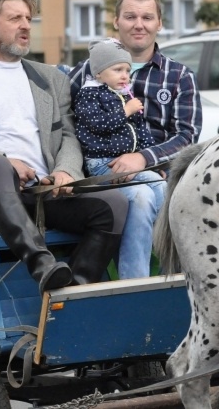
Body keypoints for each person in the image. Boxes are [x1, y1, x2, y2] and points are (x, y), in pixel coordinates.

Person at [0, 0, 128, 295]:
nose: (25, 26)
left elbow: (69, 136)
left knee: (114, 205)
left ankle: (73, 291)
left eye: (29, 19)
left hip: (42, 193)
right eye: (15, 18)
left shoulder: (52, 78)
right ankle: (42, 265)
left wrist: (66, 171)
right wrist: (6, 161)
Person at [69, 0, 202, 277]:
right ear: (116, 21)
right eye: (130, 17)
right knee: (140, 198)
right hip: (103, 174)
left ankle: (176, 282)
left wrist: (144, 158)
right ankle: (135, 284)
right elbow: (67, 124)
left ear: (159, 23)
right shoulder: (87, 72)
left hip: (160, 174)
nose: (139, 25)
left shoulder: (179, 76)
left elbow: (187, 136)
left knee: (168, 196)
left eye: (147, 17)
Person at [74, 38, 165, 279]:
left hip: (129, 164)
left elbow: (141, 134)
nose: (124, 75)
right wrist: (126, 110)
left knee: (162, 186)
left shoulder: (123, 95)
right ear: (99, 73)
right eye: (117, 70)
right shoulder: (89, 95)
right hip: (102, 165)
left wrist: (153, 162)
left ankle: (167, 260)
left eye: (127, 70)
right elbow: (98, 125)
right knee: (145, 193)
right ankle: (135, 277)